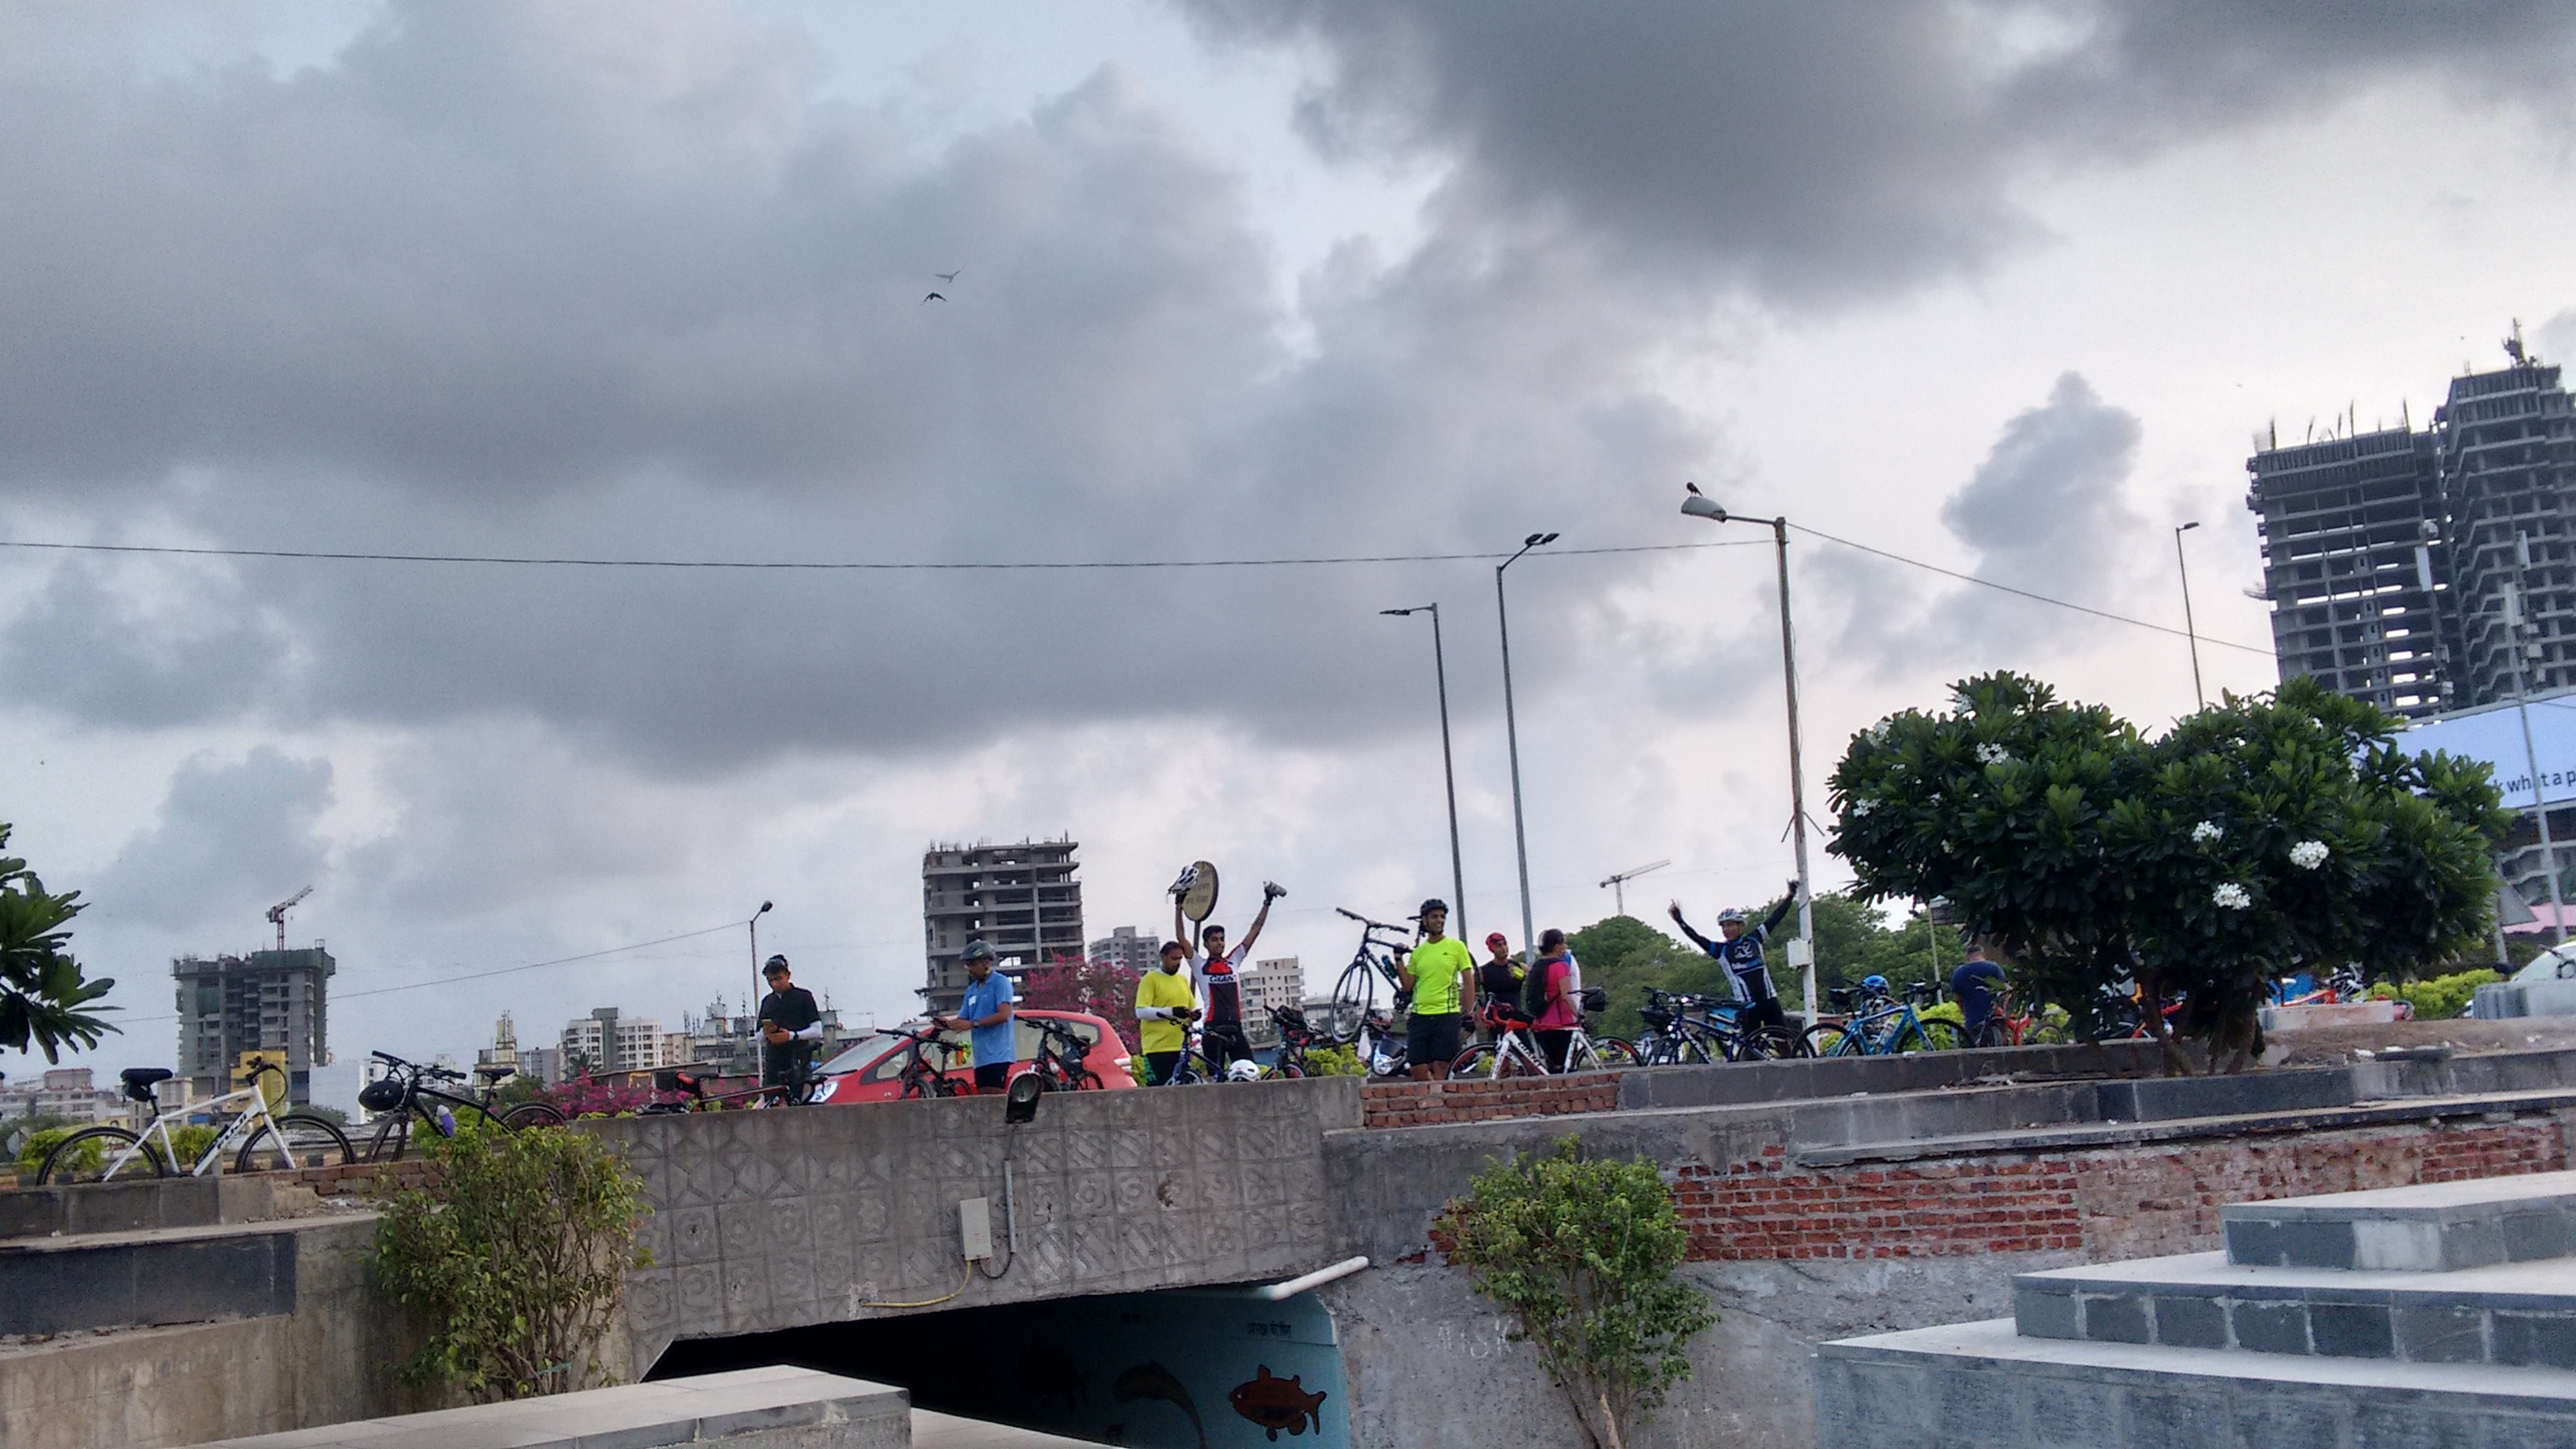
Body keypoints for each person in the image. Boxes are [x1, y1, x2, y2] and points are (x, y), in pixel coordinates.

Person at [1672, 883, 1798, 1046]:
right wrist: (1680, 921)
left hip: (1769, 1001)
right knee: (1749, 1050)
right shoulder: (1721, 950)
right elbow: (1697, 938)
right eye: (1723, 926)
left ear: (1740, 926)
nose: (1726, 929)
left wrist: (1790, 895)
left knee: (1782, 1044)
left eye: (1730, 925)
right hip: (1746, 1007)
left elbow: (1775, 917)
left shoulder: (1755, 939)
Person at [1176, 878, 1283, 1071]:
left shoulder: (1233, 960)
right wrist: (1179, 906)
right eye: (1214, 940)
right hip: (1213, 1029)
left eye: (1222, 939)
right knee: (1217, 1078)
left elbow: (1255, 930)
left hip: (1235, 1028)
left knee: (1249, 1072)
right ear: (1206, 944)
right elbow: (1181, 937)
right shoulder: (1200, 965)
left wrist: (1267, 902)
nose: (1220, 943)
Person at [1395, 897, 1474, 1080]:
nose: (1439, 920)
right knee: (1417, 1067)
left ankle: (1439, 1096)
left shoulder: (1456, 947)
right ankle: (1433, 1094)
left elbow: (1468, 980)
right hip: (1420, 1014)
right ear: (1424, 920)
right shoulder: (1418, 952)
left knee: (1441, 1065)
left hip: (1446, 1014)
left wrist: (1469, 1012)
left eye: (1442, 917)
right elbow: (1407, 985)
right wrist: (1398, 959)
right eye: (1434, 917)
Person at [937, 940, 1017, 1094]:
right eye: (967, 965)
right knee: (983, 1097)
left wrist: (974, 1024)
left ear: (986, 962)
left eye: (973, 964)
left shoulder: (1000, 983)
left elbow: (1004, 1015)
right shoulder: (971, 990)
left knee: (994, 1096)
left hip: (998, 1054)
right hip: (980, 1057)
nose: (970, 969)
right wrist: (948, 1024)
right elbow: (963, 1019)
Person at [757, 955, 825, 1099]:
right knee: (772, 1101)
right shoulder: (768, 1002)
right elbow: (758, 1037)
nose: (775, 984)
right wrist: (766, 1032)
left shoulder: (804, 997)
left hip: (798, 1059)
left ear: (788, 975)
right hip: (774, 1061)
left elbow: (817, 1030)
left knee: (799, 1099)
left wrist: (791, 1036)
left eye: (778, 979)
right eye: (770, 981)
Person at [1134, 940, 1200, 1085]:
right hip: (1156, 1048)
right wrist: (1172, 1011)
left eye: (1180, 959)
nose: (1178, 963)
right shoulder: (1150, 979)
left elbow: (1191, 1007)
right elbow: (1141, 1011)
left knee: (1182, 1090)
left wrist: (1194, 1014)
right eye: (1174, 959)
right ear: (1163, 957)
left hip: (1180, 1047)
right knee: (1158, 1090)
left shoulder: (1182, 980)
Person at [1530, 929, 1579, 1072]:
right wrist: (1578, 1015)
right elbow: (1566, 995)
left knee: (1552, 1067)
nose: (1565, 947)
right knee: (1567, 1067)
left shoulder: (1537, 966)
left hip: (1541, 1022)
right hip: (1561, 1023)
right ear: (1557, 946)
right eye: (1563, 943)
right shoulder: (1560, 966)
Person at [1951, 939, 2009, 1047]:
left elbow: (1957, 999)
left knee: (1973, 1051)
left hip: (1971, 1022)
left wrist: (1964, 1012)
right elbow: (2005, 991)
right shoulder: (1994, 968)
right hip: (1995, 1021)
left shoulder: (1958, 973)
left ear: (1967, 957)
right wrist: (2004, 1010)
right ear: (1983, 954)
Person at [1475, 931, 1525, 1045]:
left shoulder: (1518, 967)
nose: (1504, 948)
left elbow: (1533, 983)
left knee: (1526, 1051)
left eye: (1505, 944)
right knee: (1498, 1051)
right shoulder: (1484, 971)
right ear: (1492, 949)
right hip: (1496, 1020)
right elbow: (1473, 993)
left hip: (1516, 1017)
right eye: (1499, 945)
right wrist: (1479, 1015)